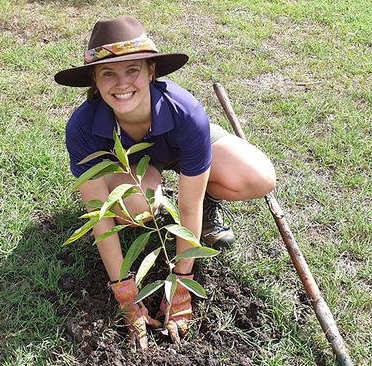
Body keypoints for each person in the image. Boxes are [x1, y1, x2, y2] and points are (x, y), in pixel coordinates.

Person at [54, 16, 275, 349]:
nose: (122, 83)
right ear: (94, 82)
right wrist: (125, 292)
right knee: (137, 205)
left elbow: (189, 205)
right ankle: (153, 199)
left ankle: (206, 203)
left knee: (259, 178)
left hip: (179, 142)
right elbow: (99, 217)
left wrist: (182, 285)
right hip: (129, 166)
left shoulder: (186, 113)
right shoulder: (83, 127)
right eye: (108, 73)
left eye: (133, 70)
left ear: (151, 72)